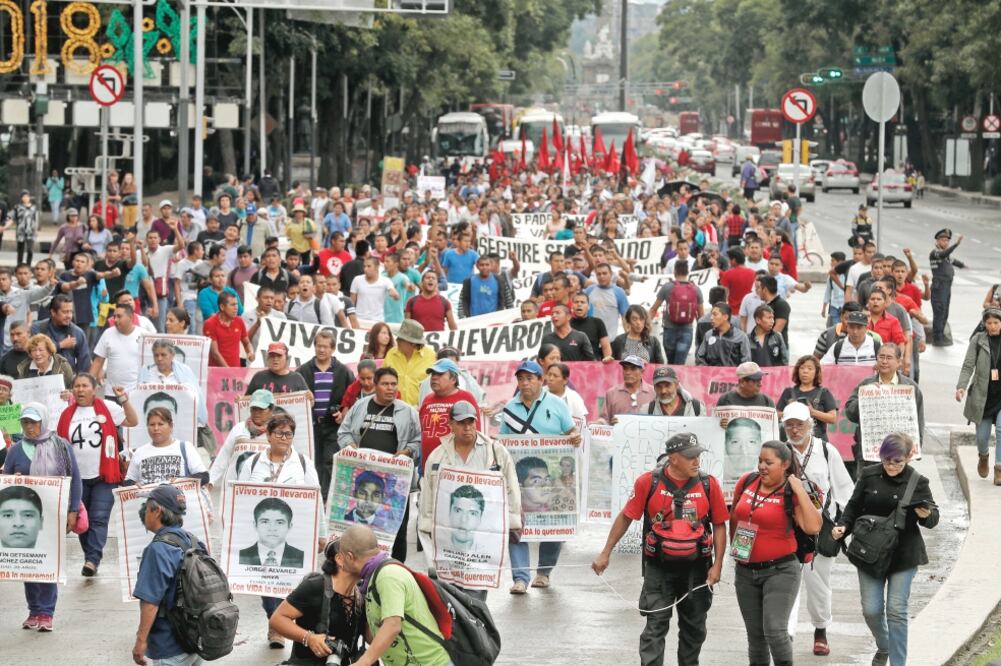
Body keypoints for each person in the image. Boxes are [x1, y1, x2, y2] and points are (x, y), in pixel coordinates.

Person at [592, 433, 728, 666]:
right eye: (690, 457)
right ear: (673, 458)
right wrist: (606, 552)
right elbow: (626, 517)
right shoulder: (648, 482)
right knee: (655, 626)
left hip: (697, 569)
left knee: (694, 629)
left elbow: (719, 525)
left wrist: (717, 566)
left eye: (698, 456)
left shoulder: (709, 484)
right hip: (659, 569)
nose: (697, 461)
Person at [831, 432, 939, 666]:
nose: (891, 466)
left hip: (903, 554)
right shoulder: (869, 475)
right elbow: (853, 506)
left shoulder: (917, 481)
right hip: (869, 552)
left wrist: (927, 514)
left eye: (897, 462)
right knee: (871, 610)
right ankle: (885, 645)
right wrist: (843, 526)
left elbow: (933, 518)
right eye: (886, 460)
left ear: (909, 457)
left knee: (896, 611)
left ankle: (898, 662)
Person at [730, 441, 822, 666]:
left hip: (780, 571)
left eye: (768, 462)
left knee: (774, 630)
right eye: (760, 460)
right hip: (745, 572)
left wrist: (799, 489)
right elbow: (735, 516)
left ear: (785, 464)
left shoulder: (791, 491)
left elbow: (813, 527)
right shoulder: (747, 482)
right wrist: (737, 552)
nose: (762, 466)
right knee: (756, 637)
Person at [418, 400, 522, 600]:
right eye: (461, 422)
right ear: (451, 425)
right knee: (449, 593)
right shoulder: (438, 457)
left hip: (483, 534)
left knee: (476, 592)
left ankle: (476, 625)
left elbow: (511, 486)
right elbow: (429, 494)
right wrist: (427, 524)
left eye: (471, 422)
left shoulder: (496, 452)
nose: (467, 427)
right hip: (449, 534)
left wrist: (513, 519)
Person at [237, 413, 324, 647]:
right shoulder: (252, 463)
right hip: (262, 534)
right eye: (279, 433)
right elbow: (239, 498)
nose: (284, 438)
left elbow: (317, 499)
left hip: (294, 534)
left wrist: (321, 533)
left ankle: (278, 626)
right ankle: (273, 618)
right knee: (266, 581)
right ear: (268, 435)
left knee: (289, 580)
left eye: (289, 434)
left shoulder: (303, 464)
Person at [499, 360, 581, 594]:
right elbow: (503, 442)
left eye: (530, 378)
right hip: (519, 478)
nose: (525, 383)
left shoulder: (557, 404)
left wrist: (574, 437)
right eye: (521, 379)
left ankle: (544, 572)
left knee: (554, 525)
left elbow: (570, 430)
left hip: (547, 477)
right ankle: (520, 578)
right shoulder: (510, 408)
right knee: (517, 525)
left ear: (541, 380)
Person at [780, 402, 854, 656]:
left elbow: (845, 489)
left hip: (821, 527)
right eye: (789, 424)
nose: (794, 429)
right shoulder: (780, 451)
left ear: (809, 425)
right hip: (788, 527)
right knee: (786, 580)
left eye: (799, 424)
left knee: (818, 582)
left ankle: (820, 629)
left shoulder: (826, 450)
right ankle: (786, 635)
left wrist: (846, 526)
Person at [3, 402, 82, 632]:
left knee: (49, 563)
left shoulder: (61, 446)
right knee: (31, 565)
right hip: (27, 518)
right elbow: (6, 479)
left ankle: (46, 612)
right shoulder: (17, 449)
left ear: (44, 421)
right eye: (25, 423)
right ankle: (34, 609)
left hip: (53, 516)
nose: (29, 428)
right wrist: (14, 479)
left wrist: (73, 510)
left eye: (34, 422)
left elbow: (74, 479)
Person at [57, 373, 138, 576]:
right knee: (82, 523)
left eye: (85, 386)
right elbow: (59, 446)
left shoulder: (107, 408)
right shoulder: (66, 414)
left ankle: (92, 560)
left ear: (94, 389)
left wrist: (123, 400)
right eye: (77, 386)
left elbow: (132, 420)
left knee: (99, 518)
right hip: (77, 480)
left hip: (105, 476)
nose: (81, 389)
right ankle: (90, 556)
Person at [337, 367, 420, 561]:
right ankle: (361, 569)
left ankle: (397, 568)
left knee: (396, 529)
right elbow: (343, 432)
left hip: (395, 482)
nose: (390, 388)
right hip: (363, 480)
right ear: (375, 386)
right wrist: (350, 446)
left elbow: (418, 440)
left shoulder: (407, 412)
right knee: (362, 529)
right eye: (385, 384)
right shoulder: (360, 407)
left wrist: (407, 451)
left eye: (393, 384)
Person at [338, 525, 451, 666]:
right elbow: (375, 637)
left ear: (350, 557)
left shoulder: (387, 576)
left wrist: (363, 662)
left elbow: (392, 625)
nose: (340, 563)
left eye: (341, 558)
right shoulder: (371, 579)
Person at [131, 483, 206, 666]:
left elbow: (150, 603)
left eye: (147, 508)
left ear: (156, 512)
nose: (144, 513)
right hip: (196, 641)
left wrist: (141, 641)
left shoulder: (157, 550)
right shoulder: (194, 541)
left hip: (170, 646)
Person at [268, 539, 364, 665]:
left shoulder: (361, 595)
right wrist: (309, 638)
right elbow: (277, 619)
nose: (369, 561)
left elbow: (371, 636)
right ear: (340, 560)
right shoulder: (315, 586)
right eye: (361, 556)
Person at [845, 343, 925, 476]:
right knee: (868, 493)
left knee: (896, 493)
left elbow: (919, 421)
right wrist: (865, 398)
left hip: (898, 456)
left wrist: (916, 449)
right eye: (881, 357)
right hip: (869, 456)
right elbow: (849, 413)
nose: (884, 361)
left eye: (889, 357)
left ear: (899, 362)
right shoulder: (866, 384)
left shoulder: (910, 388)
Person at [297, 329, 355, 499]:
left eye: (325, 347)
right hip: (311, 426)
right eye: (318, 346)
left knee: (330, 461)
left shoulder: (344, 372)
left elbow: (353, 398)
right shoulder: (303, 371)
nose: (321, 350)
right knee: (311, 461)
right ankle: (312, 496)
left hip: (333, 426)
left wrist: (344, 413)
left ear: (333, 349)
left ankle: (325, 498)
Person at [957, 308, 1001, 482]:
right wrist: (961, 386)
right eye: (989, 323)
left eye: (996, 323)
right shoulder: (978, 340)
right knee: (982, 438)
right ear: (984, 324)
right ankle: (984, 456)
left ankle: (999, 468)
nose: (993, 326)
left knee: (1000, 429)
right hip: (983, 397)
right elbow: (968, 366)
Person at [418, 358, 481, 472]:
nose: (434, 377)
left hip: (454, 471)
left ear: (453, 378)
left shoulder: (466, 398)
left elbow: (476, 434)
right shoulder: (427, 399)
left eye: (440, 374)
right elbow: (422, 434)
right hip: (427, 468)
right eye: (433, 374)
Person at [208, 389, 274, 490]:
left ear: (271, 410)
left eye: (261, 409)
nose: (256, 412)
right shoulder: (239, 428)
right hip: (235, 488)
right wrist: (211, 480)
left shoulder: (276, 432)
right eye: (253, 408)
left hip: (263, 490)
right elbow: (224, 455)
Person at [125, 407, 208, 487]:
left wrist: (182, 481)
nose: (156, 428)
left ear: (171, 426)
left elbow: (204, 476)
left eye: (160, 424)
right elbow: (128, 481)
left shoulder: (185, 447)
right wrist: (134, 485)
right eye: (152, 424)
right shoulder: (140, 452)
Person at [649, 260, 704, 364]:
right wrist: (702, 335)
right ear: (687, 272)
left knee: (671, 362)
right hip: (687, 331)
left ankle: (670, 379)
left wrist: (645, 327)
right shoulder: (696, 289)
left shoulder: (667, 287)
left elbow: (653, 309)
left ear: (674, 272)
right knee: (680, 364)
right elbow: (701, 315)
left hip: (669, 330)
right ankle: (678, 379)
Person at [91, 303, 143, 400]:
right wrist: (89, 384)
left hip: (136, 392)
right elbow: (98, 361)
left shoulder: (143, 335)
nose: (115, 320)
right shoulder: (108, 333)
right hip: (112, 392)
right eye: (114, 316)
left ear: (131, 317)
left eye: (119, 316)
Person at [382, 319, 436, 406]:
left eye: (401, 338)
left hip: (421, 410)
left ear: (413, 344)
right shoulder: (391, 354)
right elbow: (382, 379)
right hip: (392, 409)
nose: (397, 340)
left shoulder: (431, 357)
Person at [31, 294, 90, 373]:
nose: (69, 316)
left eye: (71, 312)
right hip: (42, 378)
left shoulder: (78, 333)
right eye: (65, 312)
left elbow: (84, 363)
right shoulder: (38, 328)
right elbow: (34, 353)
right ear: (53, 312)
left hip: (67, 380)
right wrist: (60, 345)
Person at [929, 228, 964, 346]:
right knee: (939, 312)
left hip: (947, 286)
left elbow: (955, 261)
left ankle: (941, 335)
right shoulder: (935, 253)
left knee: (945, 312)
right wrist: (956, 245)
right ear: (937, 241)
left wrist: (964, 266)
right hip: (939, 287)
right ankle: (937, 338)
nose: (945, 242)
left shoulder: (946, 256)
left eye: (947, 241)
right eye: (943, 240)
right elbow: (944, 254)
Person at [204, 292, 254, 367]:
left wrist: (250, 352)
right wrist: (228, 371)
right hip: (216, 372)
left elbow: (246, 343)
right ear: (222, 307)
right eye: (232, 305)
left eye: (237, 304)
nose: (236, 307)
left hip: (235, 371)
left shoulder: (239, 321)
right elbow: (215, 353)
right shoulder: (210, 323)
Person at [602, 355, 655, 424]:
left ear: (642, 371)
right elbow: (604, 419)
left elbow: (661, 419)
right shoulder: (612, 393)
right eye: (625, 368)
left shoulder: (653, 393)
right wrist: (604, 423)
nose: (628, 372)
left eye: (633, 369)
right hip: (618, 434)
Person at [695, 303, 751, 367]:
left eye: (715, 314)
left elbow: (746, 363)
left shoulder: (741, 337)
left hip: (732, 376)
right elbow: (700, 358)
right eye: (711, 314)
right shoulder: (708, 335)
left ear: (725, 317)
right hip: (711, 376)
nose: (711, 318)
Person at [246, 342, 310, 395]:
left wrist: (311, 399)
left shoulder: (297, 378)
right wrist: (240, 400)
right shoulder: (258, 377)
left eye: (279, 356)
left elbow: (308, 403)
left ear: (286, 357)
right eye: (272, 356)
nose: (275, 359)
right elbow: (246, 402)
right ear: (267, 358)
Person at [637, 366, 704, 416]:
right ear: (654, 388)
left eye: (667, 385)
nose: (663, 391)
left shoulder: (696, 407)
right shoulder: (646, 411)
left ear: (677, 384)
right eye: (658, 386)